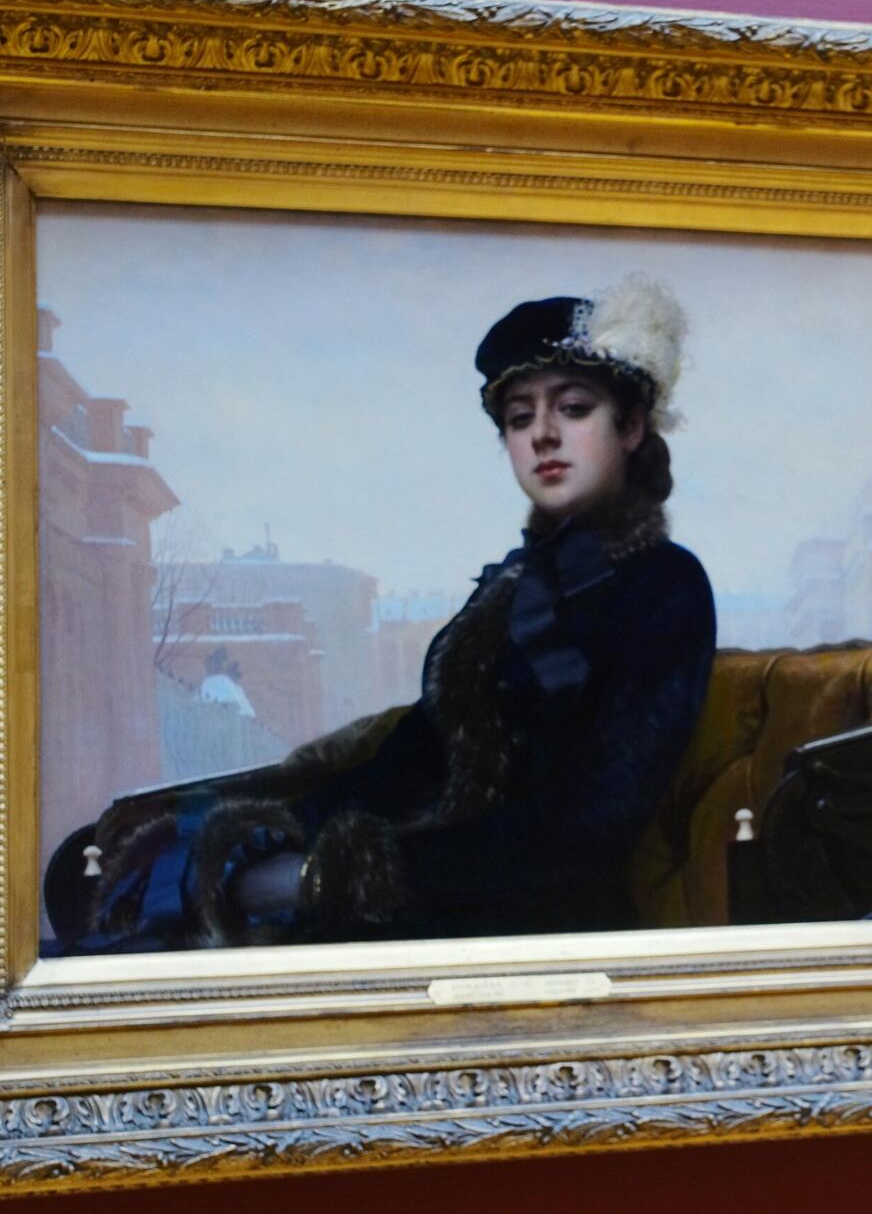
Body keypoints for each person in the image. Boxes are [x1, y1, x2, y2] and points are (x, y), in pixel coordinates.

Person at [46, 273, 716, 953]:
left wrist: (315, 880)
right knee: (111, 889)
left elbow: (588, 828)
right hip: (427, 896)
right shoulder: (513, 590)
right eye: (520, 418)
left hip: (539, 925)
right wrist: (258, 834)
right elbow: (408, 761)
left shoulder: (665, 584)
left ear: (631, 427)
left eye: (572, 409)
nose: (543, 435)